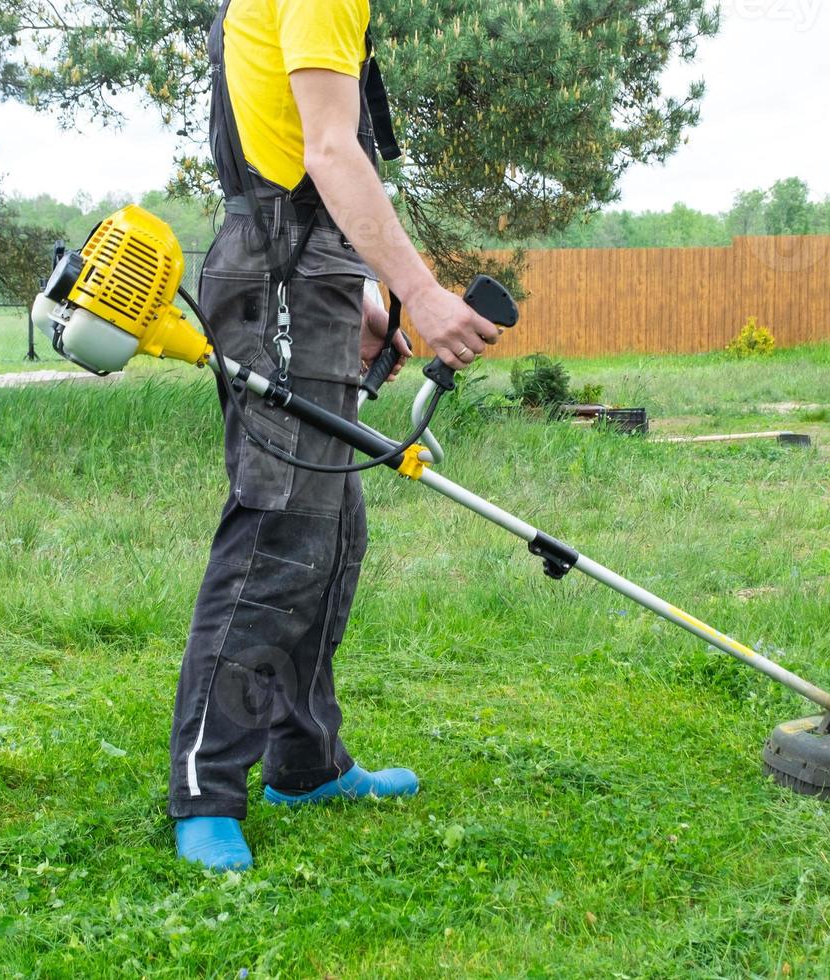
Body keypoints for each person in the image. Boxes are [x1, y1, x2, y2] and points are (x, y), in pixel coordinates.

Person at [167, 0, 502, 872]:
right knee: (280, 531)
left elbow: (281, 152)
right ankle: (207, 791)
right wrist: (420, 295)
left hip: (295, 260)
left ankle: (307, 762)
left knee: (332, 527)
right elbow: (327, 147)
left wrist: (355, 296)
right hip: (280, 264)